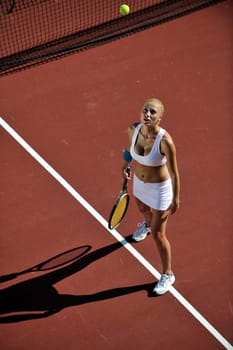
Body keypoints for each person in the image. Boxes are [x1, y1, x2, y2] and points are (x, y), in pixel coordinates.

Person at [121, 98, 180, 295]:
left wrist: (176, 198)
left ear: (160, 118)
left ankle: (168, 274)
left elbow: (174, 172)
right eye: (145, 110)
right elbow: (129, 152)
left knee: (159, 234)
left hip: (160, 189)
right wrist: (125, 167)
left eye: (152, 112)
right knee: (143, 210)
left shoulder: (165, 141)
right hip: (139, 183)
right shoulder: (133, 129)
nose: (147, 114)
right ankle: (146, 224)